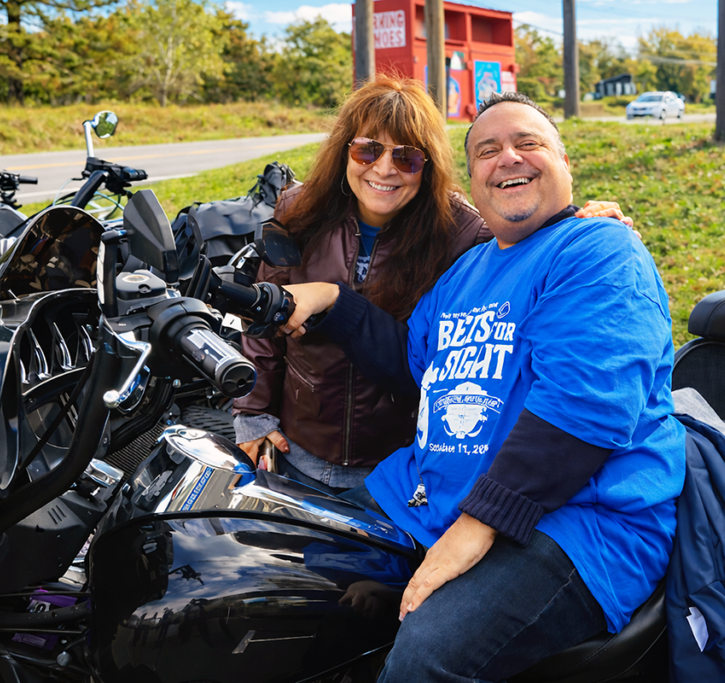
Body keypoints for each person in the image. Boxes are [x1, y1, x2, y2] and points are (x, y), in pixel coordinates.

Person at [279, 91, 686, 682]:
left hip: (579, 523)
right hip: (436, 494)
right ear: (473, 181)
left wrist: (476, 526)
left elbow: (585, 407)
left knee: (425, 655)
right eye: (488, 151)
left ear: (564, 163)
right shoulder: (465, 271)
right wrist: (333, 301)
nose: (508, 159)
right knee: (293, 578)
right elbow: (410, 362)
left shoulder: (599, 250)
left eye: (529, 143)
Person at [232, 75, 634, 493]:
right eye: (367, 149)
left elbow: (526, 239)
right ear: (343, 151)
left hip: (397, 462)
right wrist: (253, 411)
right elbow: (263, 317)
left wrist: (584, 224)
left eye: (406, 157)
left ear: (428, 166)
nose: (384, 168)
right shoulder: (301, 208)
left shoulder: (462, 232)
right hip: (297, 449)